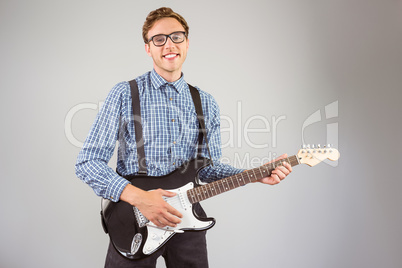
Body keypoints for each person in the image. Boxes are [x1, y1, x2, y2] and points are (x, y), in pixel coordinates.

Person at [75, 7, 292, 268]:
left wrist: (254, 174)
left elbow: (207, 169)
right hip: (135, 222)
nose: (169, 44)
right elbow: (88, 162)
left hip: (187, 221)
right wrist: (139, 198)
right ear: (148, 48)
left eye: (177, 36)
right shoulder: (124, 94)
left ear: (187, 43)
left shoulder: (206, 102)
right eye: (159, 39)